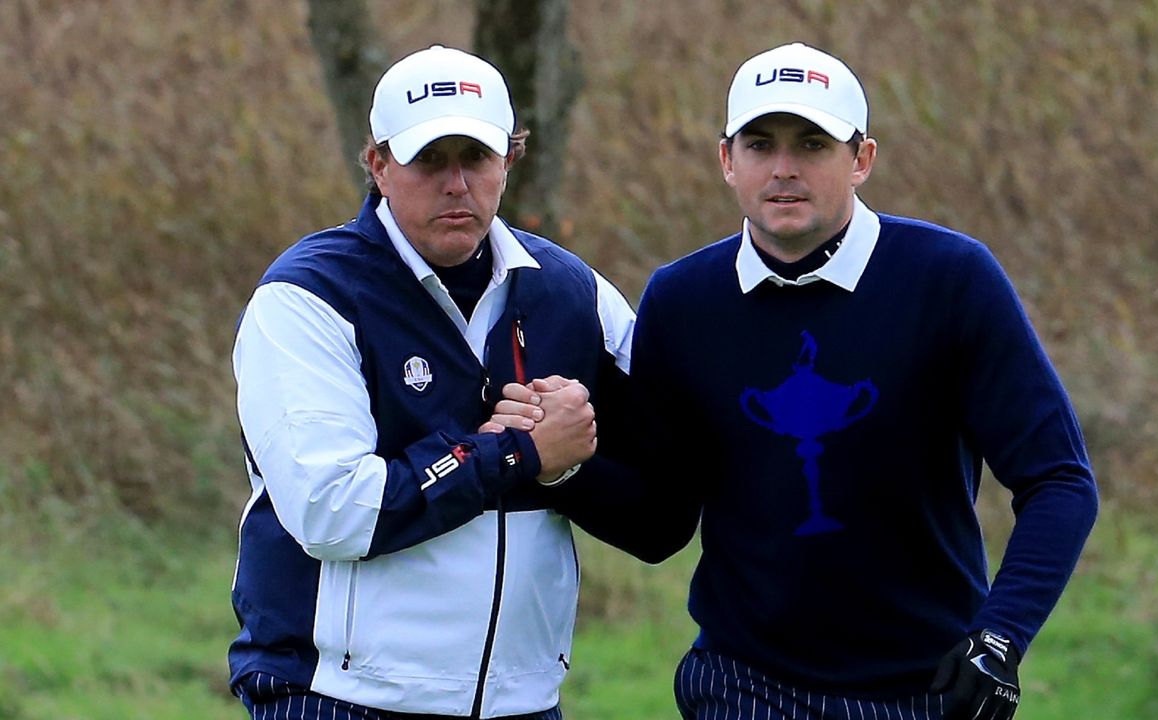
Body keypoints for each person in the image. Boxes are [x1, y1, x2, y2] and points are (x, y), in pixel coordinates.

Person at [499, 41, 1099, 720]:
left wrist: (1001, 637)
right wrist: (557, 467)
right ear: (727, 160)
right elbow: (661, 524)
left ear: (862, 159)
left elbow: (1058, 480)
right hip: (743, 686)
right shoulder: (683, 300)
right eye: (760, 145)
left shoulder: (951, 279)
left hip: (928, 690)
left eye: (812, 144)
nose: (784, 169)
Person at [227, 45, 635, 719]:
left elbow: (659, 494)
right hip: (336, 696)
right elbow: (333, 510)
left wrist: (568, 466)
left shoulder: (574, 293)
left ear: (508, 160)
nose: (456, 184)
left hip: (523, 702)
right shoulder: (308, 296)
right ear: (379, 164)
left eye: (474, 158)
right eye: (429, 160)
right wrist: (515, 452)